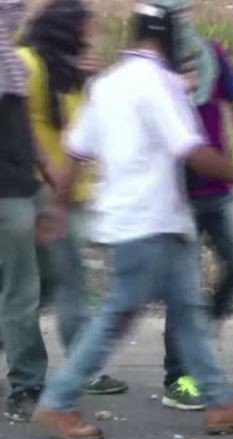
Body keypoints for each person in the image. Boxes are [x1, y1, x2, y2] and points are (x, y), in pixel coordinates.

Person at [32, 2, 233, 439]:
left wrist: (59, 208)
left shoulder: (107, 84)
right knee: (116, 316)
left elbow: (75, 152)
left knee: (188, 310)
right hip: (149, 222)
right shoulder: (161, 82)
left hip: (146, 220)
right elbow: (192, 150)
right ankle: (58, 401)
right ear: (168, 37)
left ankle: (220, 402)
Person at [151, 0, 233, 412]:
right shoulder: (150, 69)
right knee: (183, 288)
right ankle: (179, 377)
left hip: (217, 189)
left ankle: (201, 340)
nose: (184, 20)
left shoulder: (211, 55)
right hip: (175, 194)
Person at [18, 0, 129, 396]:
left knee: (45, 287)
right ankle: (84, 368)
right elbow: (18, 127)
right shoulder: (27, 64)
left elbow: (89, 129)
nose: (91, 36)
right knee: (69, 283)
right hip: (39, 193)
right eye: (85, 28)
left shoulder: (69, 71)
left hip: (67, 193)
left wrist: (92, 81)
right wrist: (50, 177)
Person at [0, 0, 52, 422]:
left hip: (26, 186)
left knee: (51, 273)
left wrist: (48, 169)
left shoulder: (11, 64)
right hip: (6, 195)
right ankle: (27, 385)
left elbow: (23, 123)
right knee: (21, 289)